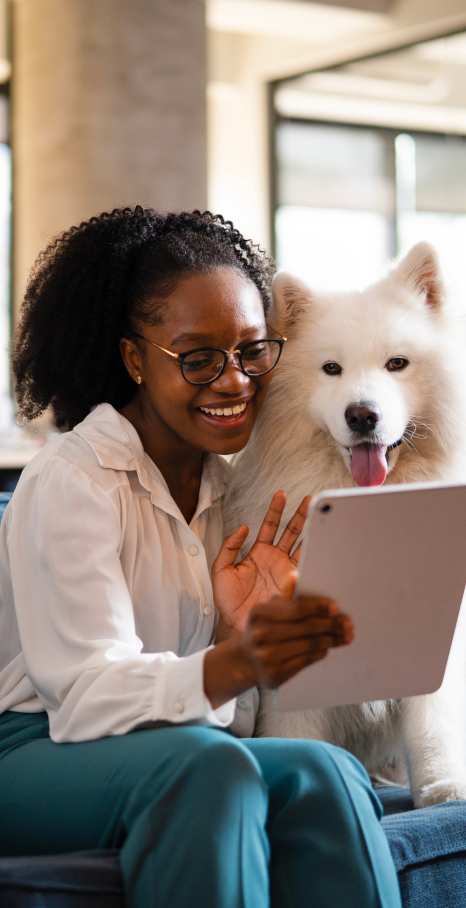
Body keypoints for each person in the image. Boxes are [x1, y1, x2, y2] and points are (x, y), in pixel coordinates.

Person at [0, 208, 401, 908]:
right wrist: (235, 662)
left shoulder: (230, 492)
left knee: (324, 770)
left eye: (252, 351)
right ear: (134, 360)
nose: (235, 381)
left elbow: (218, 711)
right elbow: (85, 696)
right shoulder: (75, 479)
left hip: (176, 745)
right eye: (198, 358)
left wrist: (234, 639)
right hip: (29, 749)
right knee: (207, 769)